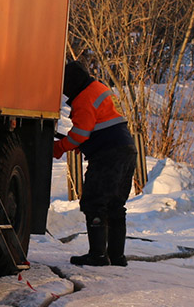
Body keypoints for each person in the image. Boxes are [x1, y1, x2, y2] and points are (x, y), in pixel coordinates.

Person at [56, 60, 138, 267]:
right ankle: (117, 256)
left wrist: (61, 147)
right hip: (126, 151)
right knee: (116, 205)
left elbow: (81, 133)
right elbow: (98, 126)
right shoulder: (99, 88)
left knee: (95, 203)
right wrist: (83, 142)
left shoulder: (84, 97)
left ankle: (98, 256)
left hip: (108, 155)